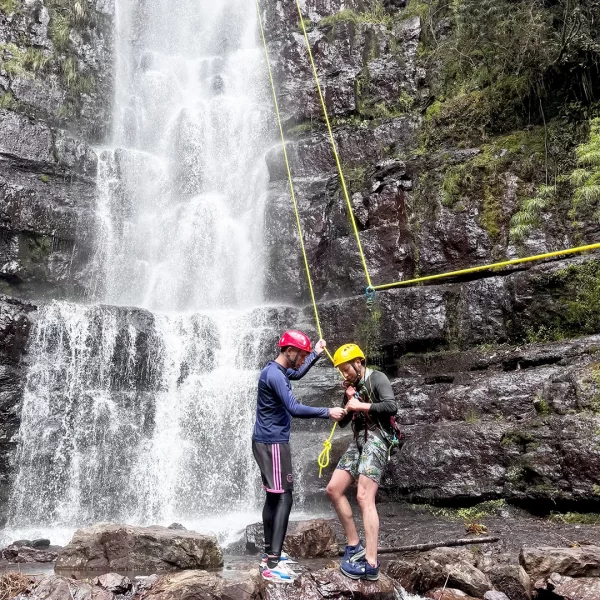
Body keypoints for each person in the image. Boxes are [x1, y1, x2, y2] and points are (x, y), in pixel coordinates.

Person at [252, 330, 346, 584]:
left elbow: (297, 373)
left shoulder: (277, 371)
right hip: (272, 442)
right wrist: (328, 412)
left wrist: (316, 353)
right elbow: (293, 408)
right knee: (284, 496)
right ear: (289, 351)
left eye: (306, 356)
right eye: (302, 354)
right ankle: (272, 562)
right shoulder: (275, 375)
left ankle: (269, 555)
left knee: (275, 495)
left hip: (267, 441)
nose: (303, 359)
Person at [325, 343, 399, 581]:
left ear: (358, 363)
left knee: (364, 497)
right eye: (342, 371)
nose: (345, 375)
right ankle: (354, 544)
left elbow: (391, 406)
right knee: (333, 490)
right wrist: (347, 402)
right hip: (358, 442)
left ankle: (371, 561)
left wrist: (361, 405)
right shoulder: (352, 387)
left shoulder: (377, 377)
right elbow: (344, 423)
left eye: (346, 369)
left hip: (378, 439)